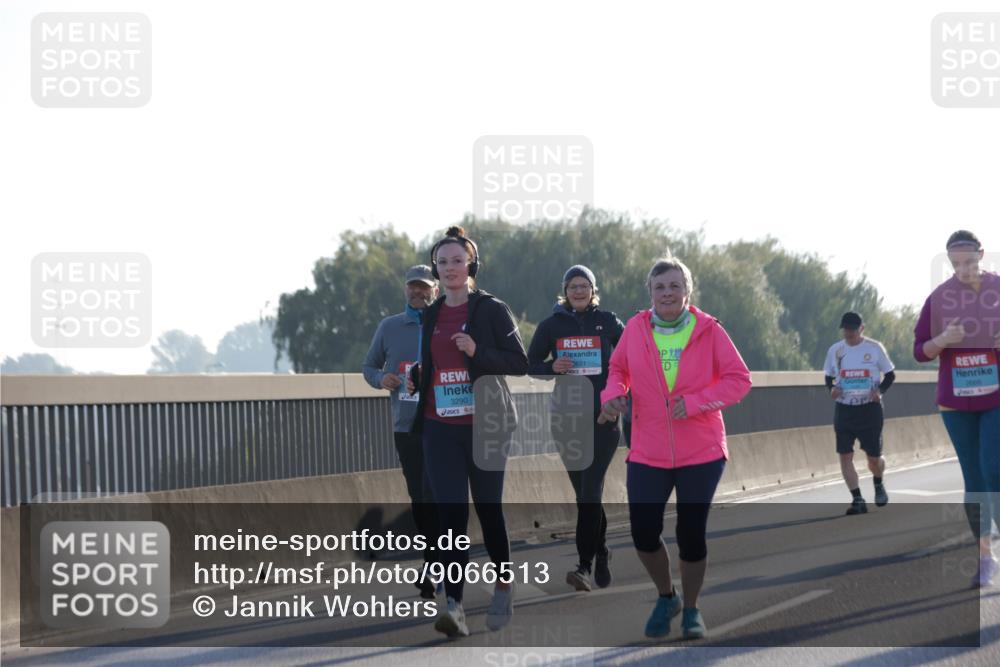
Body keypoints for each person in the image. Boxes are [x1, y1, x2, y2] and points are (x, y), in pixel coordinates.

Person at [598, 256, 751, 640]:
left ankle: (693, 609)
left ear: (687, 292)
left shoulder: (709, 330)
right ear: (650, 292)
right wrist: (614, 395)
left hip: (701, 449)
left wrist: (698, 401)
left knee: (690, 532)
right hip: (648, 446)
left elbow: (739, 380)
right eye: (660, 286)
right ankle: (667, 596)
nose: (667, 292)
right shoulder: (635, 328)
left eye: (675, 286)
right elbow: (618, 371)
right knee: (643, 532)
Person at [406, 225, 528, 637]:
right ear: (436, 271)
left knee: (489, 509)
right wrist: (419, 377)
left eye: (457, 260)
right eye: (442, 263)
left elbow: (518, 362)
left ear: (471, 264)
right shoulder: (431, 315)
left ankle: (504, 583)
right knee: (451, 516)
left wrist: (477, 352)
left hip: (487, 424)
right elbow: (434, 363)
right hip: (441, 427)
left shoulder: (491, 310)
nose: (450, 268)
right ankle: (454, 605)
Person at [527, 265, 626, 591]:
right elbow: (530, 365)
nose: (579, 291)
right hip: (566, 419)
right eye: (573, 286)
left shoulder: (609, 322)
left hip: (603, 418)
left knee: (590, 490)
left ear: (593, 290)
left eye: (584, 286)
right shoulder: (552, 325)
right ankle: (601, 550)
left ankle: (583, 566)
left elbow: (632, 358)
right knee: (584, 494)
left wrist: (621, 396)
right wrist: (550, 366)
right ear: (565, 291)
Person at [913, 229, 1000, 587]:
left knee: (993, 468)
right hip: (955, 402)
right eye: (956, 264)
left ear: (981, 254)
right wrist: (942, 340)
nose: (964, 269)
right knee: (975, 480)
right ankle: (985, 556)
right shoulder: (940, 298)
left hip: (995, 398)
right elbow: (920, 351)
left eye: (970, 262)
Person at [362, 265, 441, 599]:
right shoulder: (390, 327)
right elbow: (369, 367)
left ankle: (437, 564)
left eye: (424, 288)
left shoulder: (447, 323)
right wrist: (383, 379)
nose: (418, 293)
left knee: (440, 495)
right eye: (412, 287)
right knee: (420, 498)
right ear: (405, 290)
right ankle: (433, 559)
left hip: (444, 423)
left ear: (435, 291)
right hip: (406, 425)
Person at [823, 312, 897, 516]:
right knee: (845, 455)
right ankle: (857, 498)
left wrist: (879, 391)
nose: (849, 333)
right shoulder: (836, 350)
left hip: (869, 409)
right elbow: (828, 377)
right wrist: (832, 389)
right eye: (846, 329)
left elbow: (890, 375)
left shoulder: (874, 348)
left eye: (853, 329)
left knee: (874, 459)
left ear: (861, 328)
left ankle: (878, 481)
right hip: (845, 409)